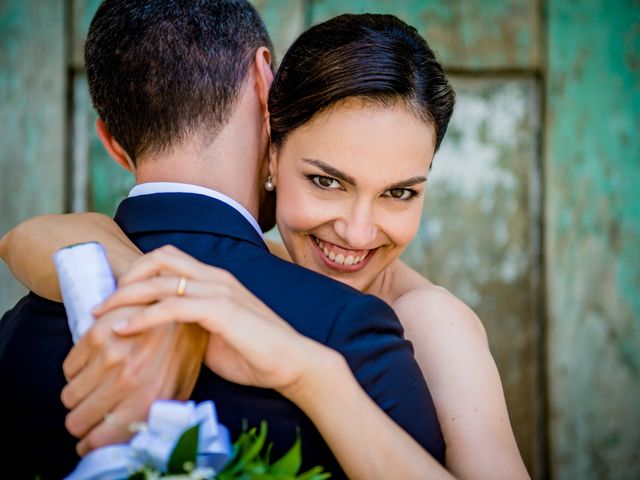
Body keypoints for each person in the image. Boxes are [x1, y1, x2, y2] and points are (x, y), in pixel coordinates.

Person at [0, 2, 445, 479]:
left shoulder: (15, 334)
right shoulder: (352, 330)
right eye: (327, 181)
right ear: (264, 80)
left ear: (110, 141)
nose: (357, 230)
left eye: (399, 192)